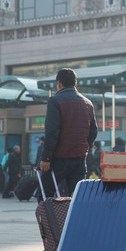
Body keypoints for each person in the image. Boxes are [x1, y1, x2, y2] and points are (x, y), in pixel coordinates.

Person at [39, 68, 97, 201]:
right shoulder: (88, 103)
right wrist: (84, 148)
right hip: (79, 160)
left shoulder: (55, 101)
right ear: (76, 85)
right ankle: (75, 222)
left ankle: (51, 222)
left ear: (58, 83)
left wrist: (46, 158)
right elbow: (93, 132)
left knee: (45, 196)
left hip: (58, 160)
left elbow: (52, 132)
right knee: (78, 198)